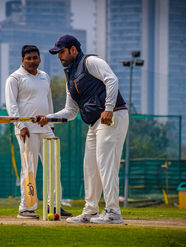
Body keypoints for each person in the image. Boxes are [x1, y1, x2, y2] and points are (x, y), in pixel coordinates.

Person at [37, 35, 129, 224]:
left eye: (61, 52)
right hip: (95, 123)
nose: (59, 56)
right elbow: (71, 111)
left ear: (73, 50)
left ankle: (113, 212)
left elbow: (112, 80)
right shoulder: (70, 77)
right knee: (90, 168)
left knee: (106, 165)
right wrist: (49, 118)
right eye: (57, 53)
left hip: (113, 117)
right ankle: (91, 211)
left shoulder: (91, 62)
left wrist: (109, 108)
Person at [5, 45, 72, 219]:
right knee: (29, 168)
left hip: (46, 128)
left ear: (39, 59)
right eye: (29, 58)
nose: (33, 61)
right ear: (22, 60)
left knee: (53, 167)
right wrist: (20, 126)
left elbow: (48, 101)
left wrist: (50, 121)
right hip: (27, 130)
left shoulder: (44, 77)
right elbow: (11, 105)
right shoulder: (15, 78)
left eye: (35, 58)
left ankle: (54, 206)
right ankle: (26, 208)